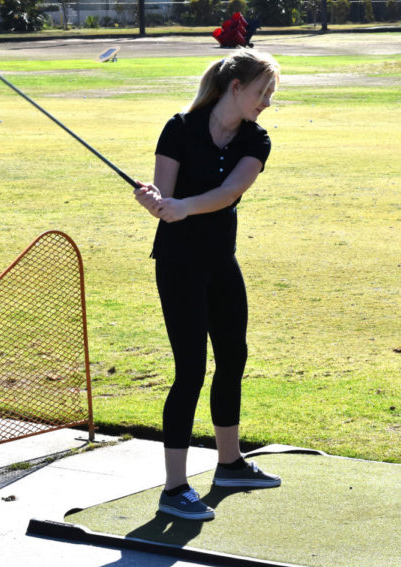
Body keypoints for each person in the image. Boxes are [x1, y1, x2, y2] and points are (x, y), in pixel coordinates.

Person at [133, 49, 281, 521]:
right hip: (178, 264)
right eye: (262, 93)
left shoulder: (256, 140)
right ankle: (174, 488)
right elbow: (163, 196)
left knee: (233, 357)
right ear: (236, 88)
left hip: (220, 261)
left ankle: (229, 463)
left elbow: (228, 193)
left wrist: (181, 207)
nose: (267, 102)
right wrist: (155, 201)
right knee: (191, 369)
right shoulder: (179, 128)